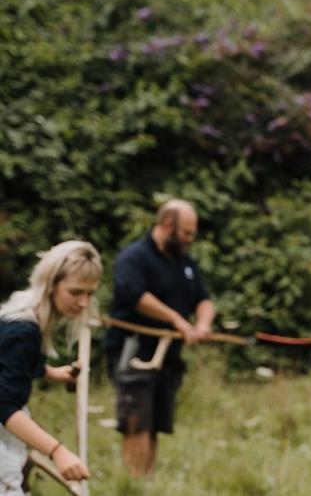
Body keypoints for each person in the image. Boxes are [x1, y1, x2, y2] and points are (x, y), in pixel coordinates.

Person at [104, 199, 215, 476]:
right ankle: (135, 485)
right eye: (187, 233)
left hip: (168, 357)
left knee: (154, 423)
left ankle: (147, 482)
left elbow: (203, 299)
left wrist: (202, 323)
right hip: (134, 351)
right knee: (137, 421)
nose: (190, 239)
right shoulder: (134, 257)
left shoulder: (184, 263)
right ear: (168, 225)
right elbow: (135, 296)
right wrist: (176, 319)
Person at [0, 240, 101, 495]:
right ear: (51, 284)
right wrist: (58, 451)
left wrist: (55, 373)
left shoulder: (27, 309)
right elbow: (4, 405)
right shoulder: (23, 328)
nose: (83, 303)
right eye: (76, 292)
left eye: (90, 293)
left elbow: (14, 365)